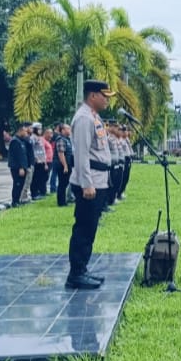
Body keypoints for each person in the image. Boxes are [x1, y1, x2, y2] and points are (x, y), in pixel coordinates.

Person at [66, 79, 115, 290]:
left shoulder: (94, 117)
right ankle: (76, 274)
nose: (107, 100)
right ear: (93, 96)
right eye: (104, 96)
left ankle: (82, 268)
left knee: (90, 228)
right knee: (84, 229)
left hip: (98, 180)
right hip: (90, 182)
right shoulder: (84, 118)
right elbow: (82, 154)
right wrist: (87, 184)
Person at [7, 122, 31, 208]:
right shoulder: (15, 141)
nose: (26, 133)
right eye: (25, 131)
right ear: (20, 131)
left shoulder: (21, 141)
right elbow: (17, 156)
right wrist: (21, 167)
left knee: (20, 184)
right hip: (17, 168)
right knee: (17, 184)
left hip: (22, 167)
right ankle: (15, 201)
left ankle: (18, 200)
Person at [53, 122, 74, 206]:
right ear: (62, 130)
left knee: (65, 183)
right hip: (62, 164)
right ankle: (61, 202)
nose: (69, 130)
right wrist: (65, 166)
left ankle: (63, 200)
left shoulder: (67, 139)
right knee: (62, 183)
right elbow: (61, 154)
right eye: (67, 128)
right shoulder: (61, 139)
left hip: (67, 163)